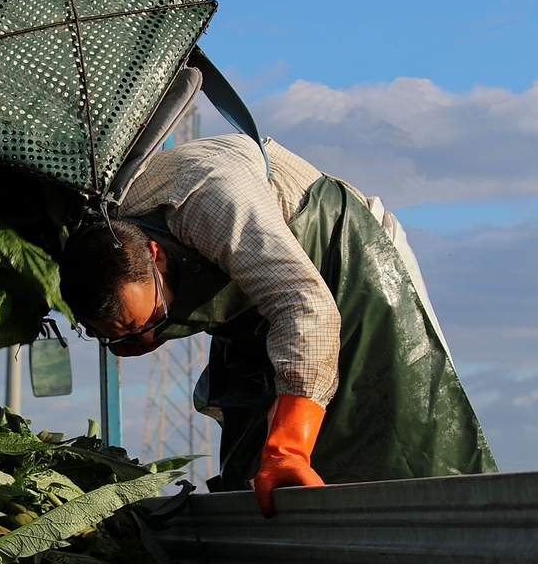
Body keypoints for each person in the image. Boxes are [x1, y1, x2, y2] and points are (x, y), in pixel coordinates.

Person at [58, 133, 497, 518]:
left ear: (156, 255)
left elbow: (303, 306)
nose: (151, 335)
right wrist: (138, 330)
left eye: (151, 319)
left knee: (402, 428)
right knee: (252, 471)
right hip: (257, 321)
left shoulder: (209, 201)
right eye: (125, 336)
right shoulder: (92, 235)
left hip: (346, 267)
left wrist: (287, 449)